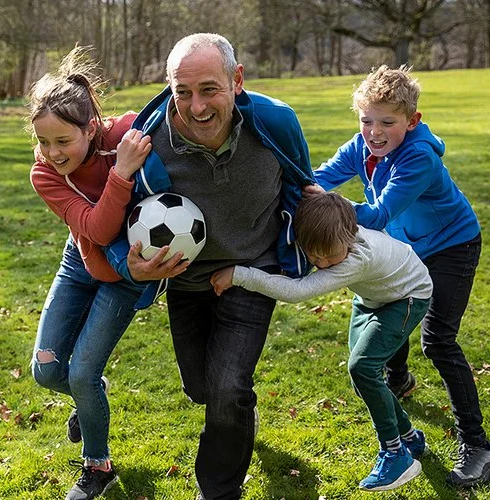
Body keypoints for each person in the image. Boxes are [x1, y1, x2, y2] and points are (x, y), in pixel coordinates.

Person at [104, 33, 315, 499]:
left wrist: (318, 229)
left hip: (253, 272)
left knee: (226, 386)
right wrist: (131, 265)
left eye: (208, 89)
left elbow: (303, 184)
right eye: (182, 92)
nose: (195, 106)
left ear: (237, 80)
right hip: (187, 280)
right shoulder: (145, 143)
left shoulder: (277, 123)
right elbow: (106, 223)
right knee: (203, 389)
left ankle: (218, 489)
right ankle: (239, 413)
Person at [306, 65, 490, 487]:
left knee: (438, 342)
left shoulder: (418, 157)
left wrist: (328, 208)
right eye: (366, 120)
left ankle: (479, 448)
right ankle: (398, 379)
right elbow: (317, 180)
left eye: (386, 123)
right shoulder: (361, 146)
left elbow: (377, 215)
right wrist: (298, 194)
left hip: (452, 246)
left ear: (411, 121)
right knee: (387, 307)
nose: (374, 132)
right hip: (408, 248)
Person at [211, 191, 433, 491]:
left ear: (350, 236)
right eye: (314, 255)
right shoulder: (336, 230)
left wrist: (240, 275)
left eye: (329, 255)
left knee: (363, 368)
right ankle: (410, 437)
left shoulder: (356, 259)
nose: (322, 262)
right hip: (372, 298)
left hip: (408, 295)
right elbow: (323, 206)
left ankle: (395, 454)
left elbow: (296, 291)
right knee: (363, 378)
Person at [27, 46, 152, 500]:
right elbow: (96, 228)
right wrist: (121, 175)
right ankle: (89, 395)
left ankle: (98, 468)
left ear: (92, 127)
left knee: (80, 374)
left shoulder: (126, 133)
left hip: (124, 276)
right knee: (46, 371)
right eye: (44, 141)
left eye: (63, 141)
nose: (52, 152)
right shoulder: (45, 175)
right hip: (80, 261)